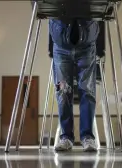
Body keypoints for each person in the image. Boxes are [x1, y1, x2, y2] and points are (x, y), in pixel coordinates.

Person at [49, 18, 100, 152]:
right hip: (61, 47)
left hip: (87, 46)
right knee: (63, 92)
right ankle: (66, 137)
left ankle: (87, 137)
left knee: (87, 91)